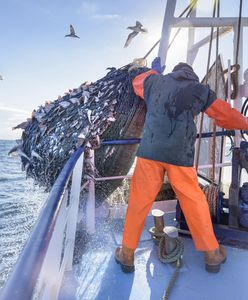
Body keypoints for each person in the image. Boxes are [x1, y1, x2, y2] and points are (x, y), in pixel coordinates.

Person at [115, 57, 248, 273]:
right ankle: (212, 254)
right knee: (193, 201)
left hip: (150, 153)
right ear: (191, 76)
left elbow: (136, 81)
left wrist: (153, 73)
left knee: (139, 202)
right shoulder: (199, 89)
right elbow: (224, 116)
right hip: (179, 156)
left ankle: (127, 254)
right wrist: (246, 123)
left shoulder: (154, 82)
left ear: (173, 73)